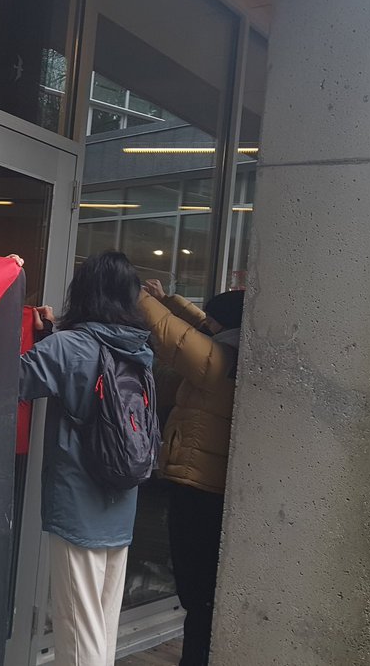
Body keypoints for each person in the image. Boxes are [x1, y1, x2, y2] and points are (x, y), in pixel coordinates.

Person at [18, 251, 154, 666]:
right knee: (101, 629)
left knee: (79, 637)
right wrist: (49, 338)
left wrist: (21, 327)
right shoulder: (139, 348)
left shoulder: (70, 345)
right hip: (121, 501)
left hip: (78, 505)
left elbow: (7, 382)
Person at [137, 280, 244, 666]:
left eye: (213, 319)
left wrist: (139, 297)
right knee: (201, 595)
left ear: (226, 325)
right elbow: (197, 326)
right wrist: (168, 300)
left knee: (198, 594)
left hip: (200, 488)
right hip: (207, 484)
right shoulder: (235, 347)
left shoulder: (223, 360)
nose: (207, 323)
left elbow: (179, 338)